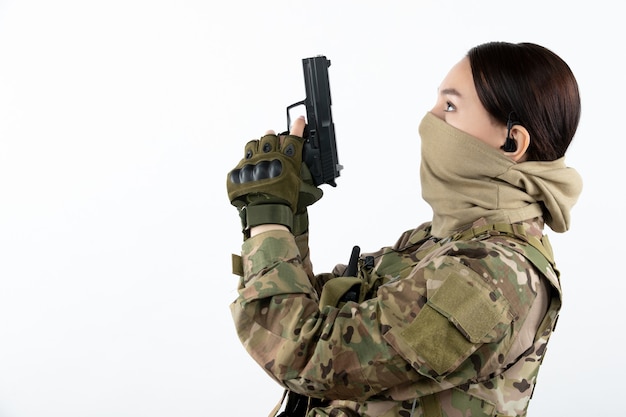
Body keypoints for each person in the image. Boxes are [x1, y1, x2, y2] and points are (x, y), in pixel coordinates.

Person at [226, 41, 582, 417]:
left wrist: (269, 217)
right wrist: (290, 216)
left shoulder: (493, 274)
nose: (428, 120)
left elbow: (309, 357)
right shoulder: (438, 240)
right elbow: (321, 315)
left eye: (450, 106)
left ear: (512, 141)